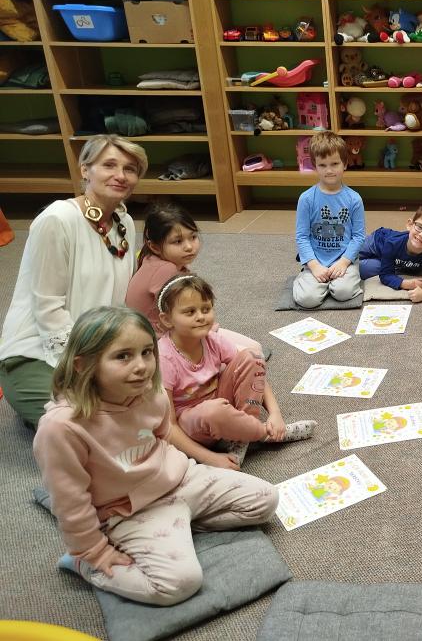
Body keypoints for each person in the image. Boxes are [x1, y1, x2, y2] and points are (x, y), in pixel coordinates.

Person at [32, 306, 279, 606]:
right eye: (123, 356)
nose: (141, 366)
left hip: (181, 480)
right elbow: (70, 502)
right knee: (179, 584)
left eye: (147, 352)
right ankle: (84, 566)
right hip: (128, 511)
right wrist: (93, 552)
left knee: (267, 500)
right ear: (83, 365)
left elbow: (163, 437)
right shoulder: (61, 428)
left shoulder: (153, 394)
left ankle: (180, 526)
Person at [0, 135, 146, 427]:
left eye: (130, 169)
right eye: (109, 165)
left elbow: (120, 303)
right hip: (37, 353)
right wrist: (86, 369)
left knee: (155, 404)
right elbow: (47, 308)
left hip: (100, 350)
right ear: (85, 170)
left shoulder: (124, 223)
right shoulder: (58, 219)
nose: (120, 175)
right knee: (89, 426)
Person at [157, 275, 315, 468]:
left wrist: (275, 413)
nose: (201, 316)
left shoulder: (211, 339)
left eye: (206, 309)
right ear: (167, 320)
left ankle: (243, 435)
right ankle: (260, 434)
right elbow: (169, 426)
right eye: (190, 312)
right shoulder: (164, 358)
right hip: (194, 425)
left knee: (252, 356)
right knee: (213, 410)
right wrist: (209, 458)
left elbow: (254, 369)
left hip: (221, 407)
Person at [125, 202, 263, 354]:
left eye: (193, 237)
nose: (189, 247)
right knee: (252, 354)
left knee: (254, 349)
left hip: (181, 330)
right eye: (178, 241)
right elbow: (186, 316)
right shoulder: (165, 269)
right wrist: (211, 335)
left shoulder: (160, 261)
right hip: (162, 342)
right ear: (154, 247)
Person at [293, 132, 365, 308]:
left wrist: (344, 262)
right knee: (307, 299)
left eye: (335, 164)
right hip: (316, 260)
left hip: (344, 260)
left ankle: (334, 283)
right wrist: (314, 265)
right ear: (315, 166)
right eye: (322, 165)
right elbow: (302, 237)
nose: (329, 170)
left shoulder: (354, 199)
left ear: (345, 164)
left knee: (343, 292)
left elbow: (358, 236)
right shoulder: (306, 199)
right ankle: (307, 279)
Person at [358, 204, 422, 303]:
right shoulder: (392, 243)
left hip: (392, 260)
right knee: (350, 254)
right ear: (410, 225)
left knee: (360, 270)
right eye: (419, 227)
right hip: (377, 243)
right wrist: (406, 284)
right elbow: (386, 275)